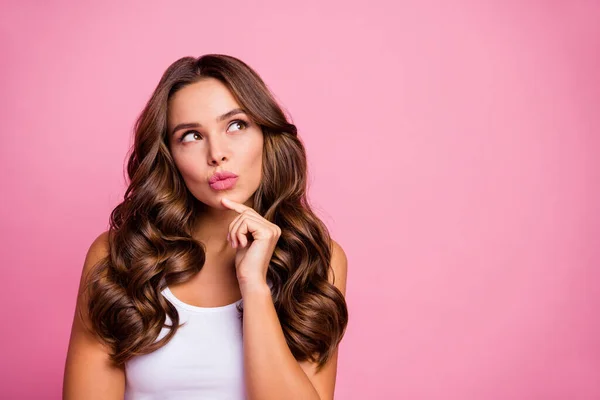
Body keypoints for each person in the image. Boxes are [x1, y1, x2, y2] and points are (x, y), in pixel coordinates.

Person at [62, 54, 349, 400]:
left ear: (266, 135)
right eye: (191, 136)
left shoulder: (316, 258)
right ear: (169, 156)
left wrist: (254, 286)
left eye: (236, 125)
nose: (217, 154)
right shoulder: (120, 256)